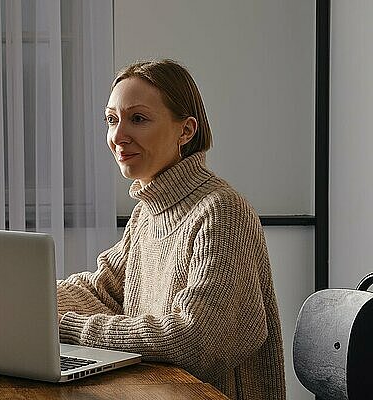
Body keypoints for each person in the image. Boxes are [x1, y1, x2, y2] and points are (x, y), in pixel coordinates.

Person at [56, 59, 286, 400]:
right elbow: (101, 291)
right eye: (112, 119)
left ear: (186, 130)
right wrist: (29, 298)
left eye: (138, 119)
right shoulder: (146, 214)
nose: (118, 136)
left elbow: (199, 341)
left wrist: (68, 327)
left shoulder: (221, 211)